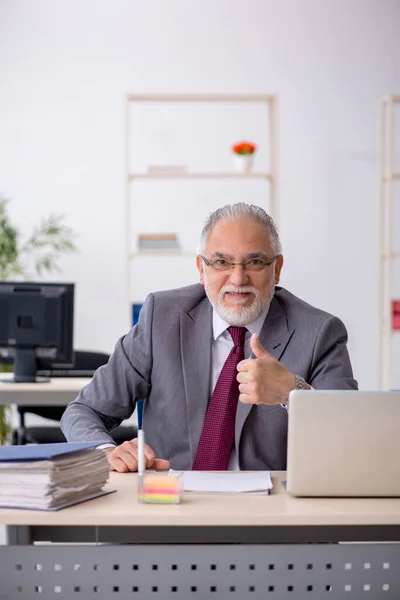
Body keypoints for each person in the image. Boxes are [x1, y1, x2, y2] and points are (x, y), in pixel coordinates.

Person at [61, 203, 357, 472]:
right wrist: (108, 451)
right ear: (201, 269)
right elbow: (85, 411)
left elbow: (352, 435)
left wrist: (294, 394)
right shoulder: (160, 318)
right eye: (221, 262)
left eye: (254, 262)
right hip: (173, 512)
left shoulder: (320, 332)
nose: (238, 279)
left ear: (276, 270)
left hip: (272, 520)